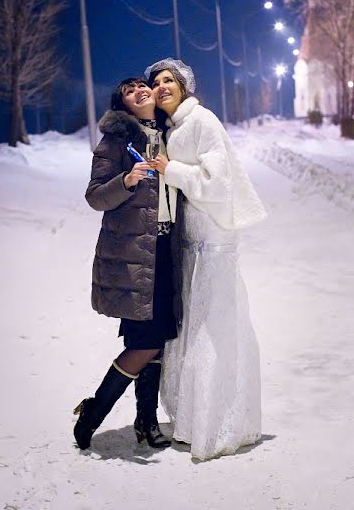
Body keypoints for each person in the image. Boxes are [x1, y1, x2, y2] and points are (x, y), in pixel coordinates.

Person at [144, 57, 267, 461]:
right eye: (156, 81)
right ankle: (193, 419)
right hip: (192, 239)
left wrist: (171, 170)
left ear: (184, 85)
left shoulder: (203, 121)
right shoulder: (175, 126)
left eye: (169, 80)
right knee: (194, 325)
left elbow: (218, 185)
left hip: (213, 238)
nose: (162, 86)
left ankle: (218, 422)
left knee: (213, 327)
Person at [73, 77, 179, 451]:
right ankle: (94, 411)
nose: (139, 90)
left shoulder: (171, 132)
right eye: (128, 90)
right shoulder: (117, 141)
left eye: (141, 84)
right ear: (124, 104)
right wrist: (127, 180)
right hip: (134, 254)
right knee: (144, 342)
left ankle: (146, 423)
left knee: (158, 341)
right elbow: (95, 196)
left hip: (166, 249)